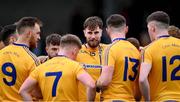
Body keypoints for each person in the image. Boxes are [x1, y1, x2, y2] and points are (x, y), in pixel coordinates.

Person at [19, 34, 96, 101]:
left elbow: (23, 90)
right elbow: (91, 85)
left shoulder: (41, 67)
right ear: (75, 51)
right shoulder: (75, 66)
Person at [96, 14, 141, 101]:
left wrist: (96, 84)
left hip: (112, 98)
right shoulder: (135, 50)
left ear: (107, 30)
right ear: (126, 29)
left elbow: (105, 81)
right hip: (130, 99)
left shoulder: (110, 49)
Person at [139, 11, 180, 101]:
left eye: (148, 29)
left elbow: (142, 79)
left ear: (153, 29)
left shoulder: (149, 49)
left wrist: (147, 99)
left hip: (161, 99)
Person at [0, 17, 42, 101]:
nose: (39, 37)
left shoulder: (1, 53)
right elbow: (37, 93)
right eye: (37, 33)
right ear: (29, 33)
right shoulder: (32, 60)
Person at [76, 16, 107, 101]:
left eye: (96, 32)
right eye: (89, 33)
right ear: (84, 33)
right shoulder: (76, 51)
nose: (93, 36)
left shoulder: (110, 50)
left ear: (101, 32)